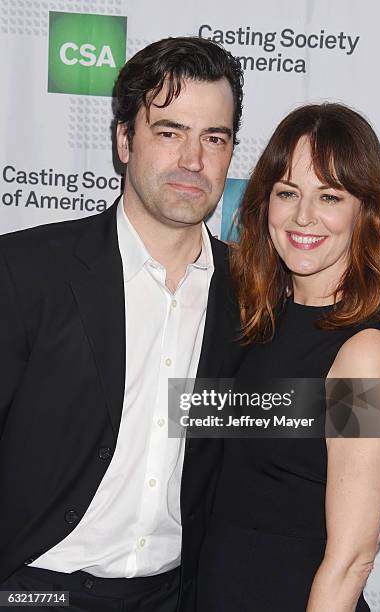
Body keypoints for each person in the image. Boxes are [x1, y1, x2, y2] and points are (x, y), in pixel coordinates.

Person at [0, 37, 245, 611]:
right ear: (123, 139)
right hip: (35, 590)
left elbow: (305, 408)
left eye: (215, 137)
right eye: (169, 132)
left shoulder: (251, 293)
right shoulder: (26, 272)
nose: (194, 159)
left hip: (173, 595)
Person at [196, 103, 380, 611]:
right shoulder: (255, 319)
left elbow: (353, 556)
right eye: (288, 193)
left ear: (366, 212)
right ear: (265, 203)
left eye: (330, 196)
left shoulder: (371, 356)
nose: (303, 217)